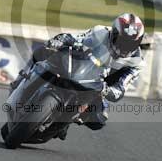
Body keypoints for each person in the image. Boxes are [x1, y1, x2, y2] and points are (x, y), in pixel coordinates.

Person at [10, 13, 145, 139]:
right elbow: (76, 39)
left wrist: (109, 91)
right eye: (121, 40)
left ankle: (67, 121)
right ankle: (21, 79)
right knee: (43, 52)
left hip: (101, 85)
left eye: (130, 44)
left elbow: (121, 87)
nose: (124, 47)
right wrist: (60, 40)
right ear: (113, 33)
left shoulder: (137, 62)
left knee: (99, 118)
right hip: (83, 68)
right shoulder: (100, 32)